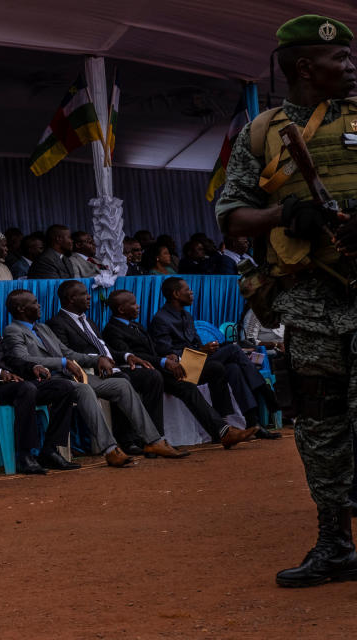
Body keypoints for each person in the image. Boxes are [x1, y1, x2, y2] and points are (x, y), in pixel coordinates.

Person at [214, 14, 357, 587]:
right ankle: (335, 544)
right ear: (305, 67)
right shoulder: (262, 132)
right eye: (339, 60)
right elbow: (231, 217)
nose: (349, 67)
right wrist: (284, 214)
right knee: (321, 426)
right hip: (307, 303)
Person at [0, 287, 99, 473]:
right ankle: (25, 455)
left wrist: (32, 367)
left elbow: (8, 359)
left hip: (12, 386)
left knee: (63, 387)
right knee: (27, 389)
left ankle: (49, 450)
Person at [102, 290, 259, 448]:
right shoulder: (112, 330)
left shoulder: (136, 325)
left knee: (192, 385)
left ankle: (222, 431)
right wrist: (163, 361)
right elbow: (133, 356)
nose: (138, 306)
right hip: (146, 374)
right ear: (121, 309)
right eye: (134, 304)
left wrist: (169, 357)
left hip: (161, 370)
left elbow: (152, 350)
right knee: (222, 359)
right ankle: (156, 440)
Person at [46, 281, 175, 453]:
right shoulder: (57, 323)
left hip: (112, 366)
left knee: (152, 376)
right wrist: (97, 360)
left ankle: (155, 438)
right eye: (84, 293)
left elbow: (104, 347)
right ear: (71, 298)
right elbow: (67, 354)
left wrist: (128, 356)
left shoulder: (88, 321)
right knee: (123, 380)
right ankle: (127, 441)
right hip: (90, 372)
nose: (89, 296)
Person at [149, 277, 279, 433]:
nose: (191, 292)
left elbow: (196, 344)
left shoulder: (187, 316)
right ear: (176, 294)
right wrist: (201, 351)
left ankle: (253, 422)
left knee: (233, 368)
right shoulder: (161, 319)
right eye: (187, 290)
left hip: (199, 362)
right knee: (233, 350)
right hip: (182, 368)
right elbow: (167, 353)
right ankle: (264, 390)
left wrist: (207, 349)